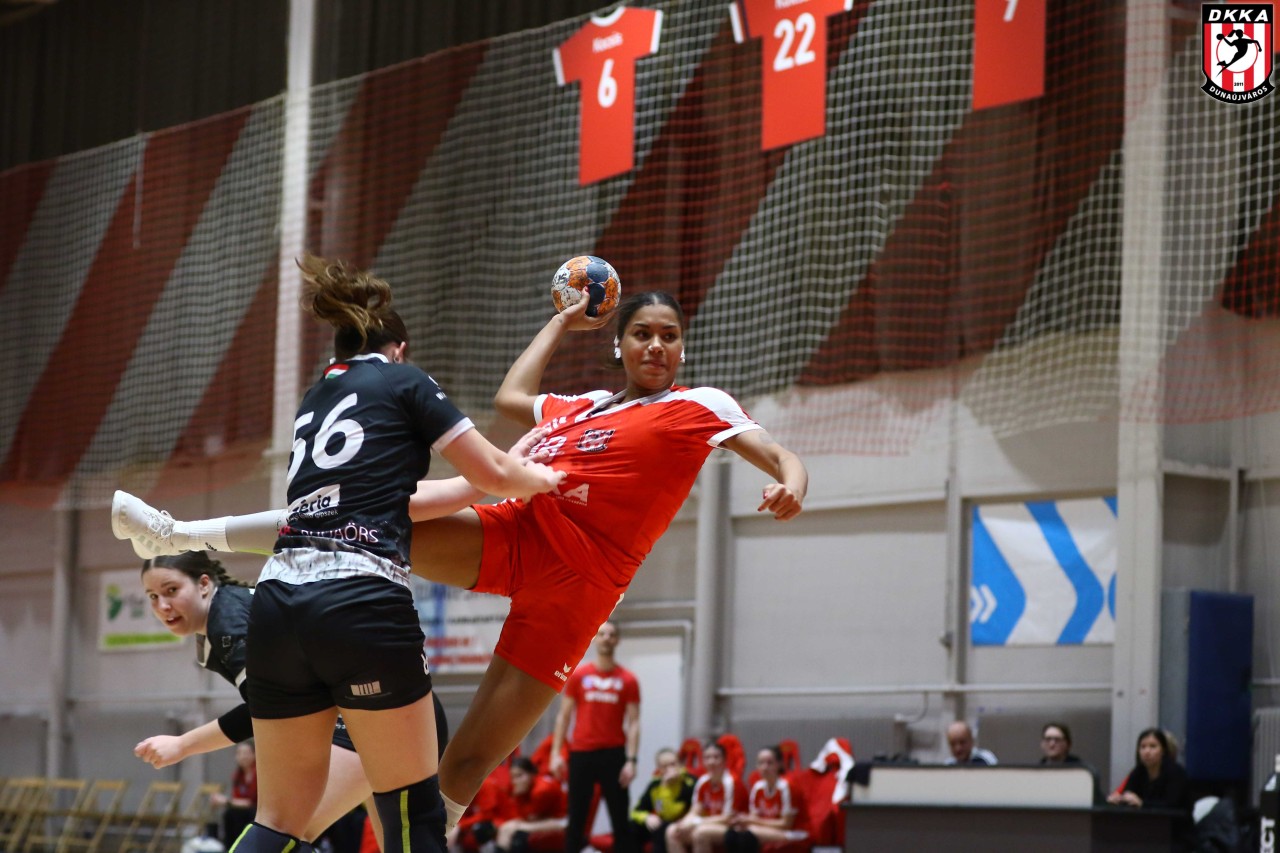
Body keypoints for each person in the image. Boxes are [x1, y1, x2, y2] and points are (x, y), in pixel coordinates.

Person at [113, 286, 808, 844]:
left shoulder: (698, 405)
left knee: (465, 764)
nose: (657, 345)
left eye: (670, 335)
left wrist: (791, 485)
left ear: (683, 346)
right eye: (643, 333)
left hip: (580, 583)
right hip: (517, 530)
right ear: (619, 345)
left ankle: (407, 837)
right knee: (352, 511)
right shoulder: (585, 405)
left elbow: (779, 454)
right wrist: (561, 322)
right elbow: (512, 397)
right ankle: (178, 531)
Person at [211, 255, 564, 853]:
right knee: (412, 815)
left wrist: (503, 469)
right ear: (399, 350)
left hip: (276, 601)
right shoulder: (405, 381)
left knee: (279, 820)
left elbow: (408, 499)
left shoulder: (314, 398)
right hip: (358, 601)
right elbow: (494, 475)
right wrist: (539, 477)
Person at [135, 552, 381, 845]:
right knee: (398, 841)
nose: (162, 605)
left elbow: (264, 707)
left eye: (171, 590)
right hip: (374, 706)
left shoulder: (228, 621)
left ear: (203, 584)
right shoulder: (226, 614)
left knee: (282, 834)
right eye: (153, 596)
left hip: (366, 710)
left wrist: (182, 745)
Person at [549, 621, 640, 853]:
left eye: (611, 634)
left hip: (614, 754)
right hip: (581, 753)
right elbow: (564, 716)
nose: (606, 638)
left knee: (620, 819)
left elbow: (634, 722)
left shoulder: (628, 680)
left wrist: (631, 760)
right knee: (576, 818)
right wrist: (556, 754)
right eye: (602, 634)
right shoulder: (579, 675)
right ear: (595, 639)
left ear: (617, 640)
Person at [665, 742, 745, 853]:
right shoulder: (702, 782)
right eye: (707, 758)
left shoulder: (732, 782)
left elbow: (728, 818)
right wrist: (684, 824)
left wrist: (695, 823)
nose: (711, 762)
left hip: (733, 828)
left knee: (700, 833)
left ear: (725, 760)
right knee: (672, 831)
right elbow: (695, 810)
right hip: (707, 824)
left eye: (716, 757)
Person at [491, 757, 567, 853]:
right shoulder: (527, 788)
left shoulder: (542, 790)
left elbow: (529, 817)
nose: (515, 781)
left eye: (519, 776)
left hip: (562, 822)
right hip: (547, 820)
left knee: (517, 836)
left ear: (531, 774)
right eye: (513, 777)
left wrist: (518, 796)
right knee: (505, 829)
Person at [1106, 728, 1192, 812]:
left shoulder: (1176, 773)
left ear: (1163, 751)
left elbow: (1171, 805)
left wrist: (1142, 803)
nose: (1147, 751)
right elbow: (1128, 794)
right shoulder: (1138, 772)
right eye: (1143, 747)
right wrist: (1118, 800)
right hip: (1144, 820)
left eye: (1153, 746)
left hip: (1174, 820)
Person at [630, 748, 695, 853]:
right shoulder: (655, 784)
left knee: (661, 827)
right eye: (665, 766)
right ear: (659, 769)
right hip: (660, 821)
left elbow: (670, 814)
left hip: (680, 823)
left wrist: (666, 786)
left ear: (680, 764)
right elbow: (636, 811)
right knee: (632, 826)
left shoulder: (689, 782)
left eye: (673, 764)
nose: (670, 769)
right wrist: (647, 817)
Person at [1038, 722, 1103, 805]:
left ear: (1068, 744)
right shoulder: (1036, 772)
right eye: (1048, 739)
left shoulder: (1081, 772)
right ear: (1042, 744)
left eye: (1057, 740)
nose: (1052, 744)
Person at [211, 741, 258, 845]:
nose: (243, 757)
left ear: (254, 754)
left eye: (246, 753)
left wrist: (225, 801)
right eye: (239, 753)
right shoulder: (237, 775)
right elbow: (237, 799)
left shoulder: (258, 774)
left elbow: (250, 802)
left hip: (257, 811)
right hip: (242, 811)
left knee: (248, 814)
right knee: (229, 814)